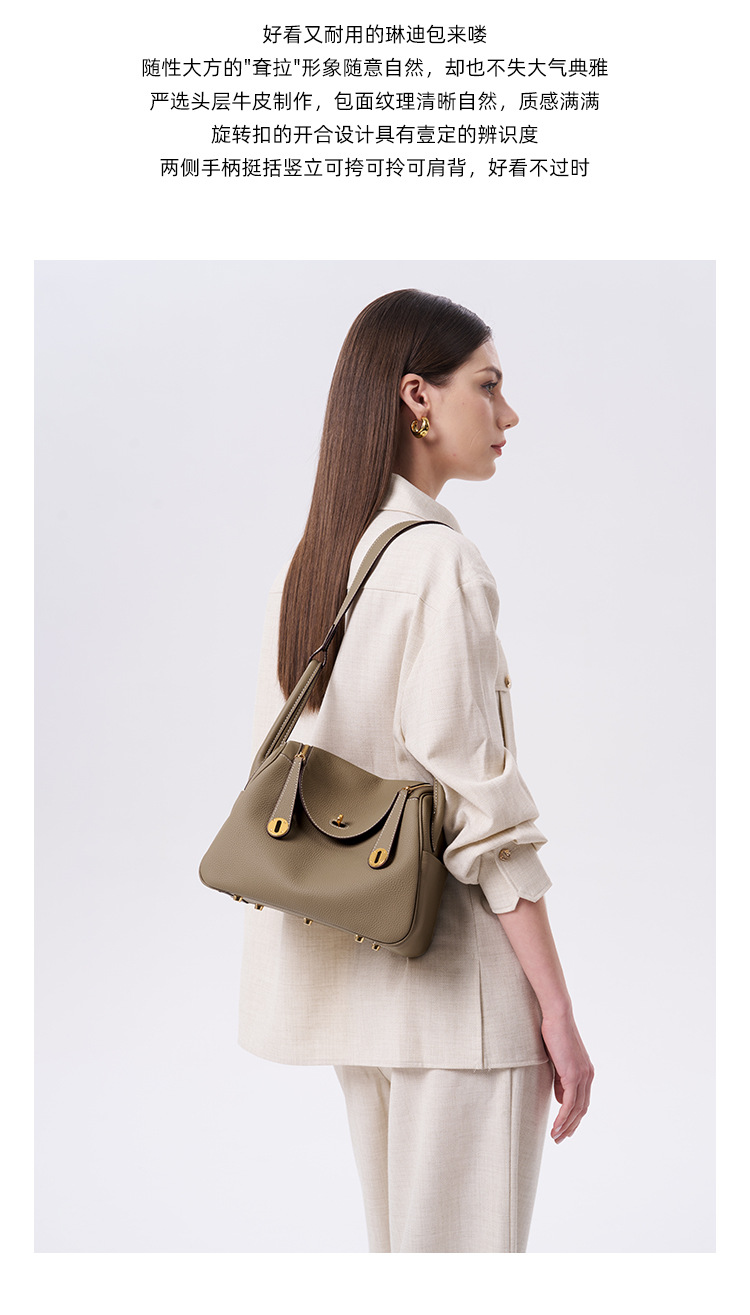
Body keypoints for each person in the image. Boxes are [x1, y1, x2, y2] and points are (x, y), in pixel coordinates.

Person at [237, 288, 594, 1253]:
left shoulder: (325, 556)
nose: (509, 413)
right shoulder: (439, 562)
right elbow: (487, 819)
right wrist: (557, 1009)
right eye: (489, 385)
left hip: (363, 990)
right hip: (460, 996)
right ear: (417, 397)